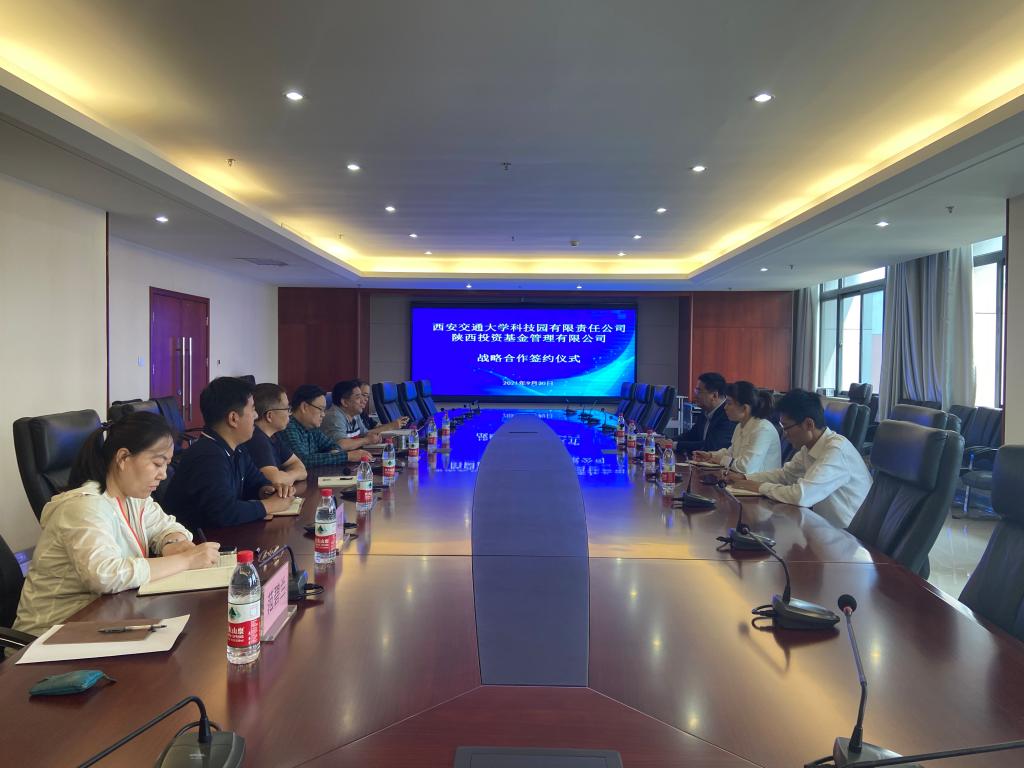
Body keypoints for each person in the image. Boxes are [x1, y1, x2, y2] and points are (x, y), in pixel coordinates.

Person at [14, 412, 221, 637]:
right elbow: (104, 575)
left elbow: (167, 526)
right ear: (123, 458)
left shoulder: (134, 497)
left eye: (166, 465)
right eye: (157, 464)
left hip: (105, 619)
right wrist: (185, 560)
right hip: (51, 635)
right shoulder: (84, 507)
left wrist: (173, 543)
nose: (163, 475)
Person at [163, 377, 296, 531]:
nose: (256, 415)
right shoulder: (207, 456)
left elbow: (257, 482)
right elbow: (223, 512)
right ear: (233, 418)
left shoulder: (237, 448)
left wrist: (268, 490)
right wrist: (270, 505)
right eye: (253, 409)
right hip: (196, 540)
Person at [726, 388, 872, 527]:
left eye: (786, 427)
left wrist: (759, 487)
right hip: (823, 526)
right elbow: (785, 475)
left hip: (848, 534)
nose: (784, 434)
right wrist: (745, 478)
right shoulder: (808, 447)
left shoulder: (836, 451)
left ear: (809, 424)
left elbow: (801, 495)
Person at [692, 381, 781, 474]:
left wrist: (720, 459)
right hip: (740, 479)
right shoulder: (740, 426)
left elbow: (746, 467)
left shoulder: (763, 429)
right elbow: (731, 453)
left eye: (729, 403)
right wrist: (710, 456)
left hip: (757, 482)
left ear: (745, 408)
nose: (725, 407)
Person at [282, 384, 372, 466]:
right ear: (304, 407)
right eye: (320, 409)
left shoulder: (312, 428)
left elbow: (333, 445)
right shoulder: (288, 427)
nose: (323, 414)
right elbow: (302, 460)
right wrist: (347, 456)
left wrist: (335, 454)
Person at [246, 383, 308, 485]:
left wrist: (288, 476)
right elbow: (275, 480)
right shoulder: (256, 439)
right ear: (269, 416)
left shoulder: (273, 436)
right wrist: (290, 475)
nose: (289, 413)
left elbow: (300, 466)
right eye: (287, 409)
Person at [321, 379, 408, 449]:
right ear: (345, 402)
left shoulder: (355, 414)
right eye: (358, 397)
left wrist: (374, 437)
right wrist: (367, 440)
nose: (363, 400)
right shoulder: (334, 416)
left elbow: (364, 433)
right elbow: (341, 445)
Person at [662, 372, 735, 454]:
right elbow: (692, 434)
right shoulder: (705, 410)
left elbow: (711, 446)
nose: (695, 395)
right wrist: (669, 441)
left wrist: (674, 445)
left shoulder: (728, 415)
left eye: (699, 391)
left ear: (714, 395)